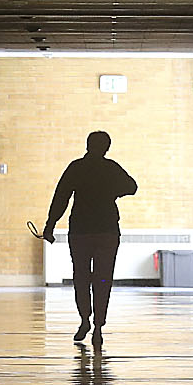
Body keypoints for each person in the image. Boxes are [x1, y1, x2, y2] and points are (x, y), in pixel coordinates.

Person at [42, 130, 138, 346]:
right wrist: (113, 191)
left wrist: (50, 226)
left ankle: (85, 319)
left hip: (81, 231)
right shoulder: (111, 168)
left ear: (87, 145)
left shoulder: (76, 167)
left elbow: (61, 198)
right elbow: (131, 187)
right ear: (107, 148)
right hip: (107, 231)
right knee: (103, 279)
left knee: (82, 278)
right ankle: (98, 326)